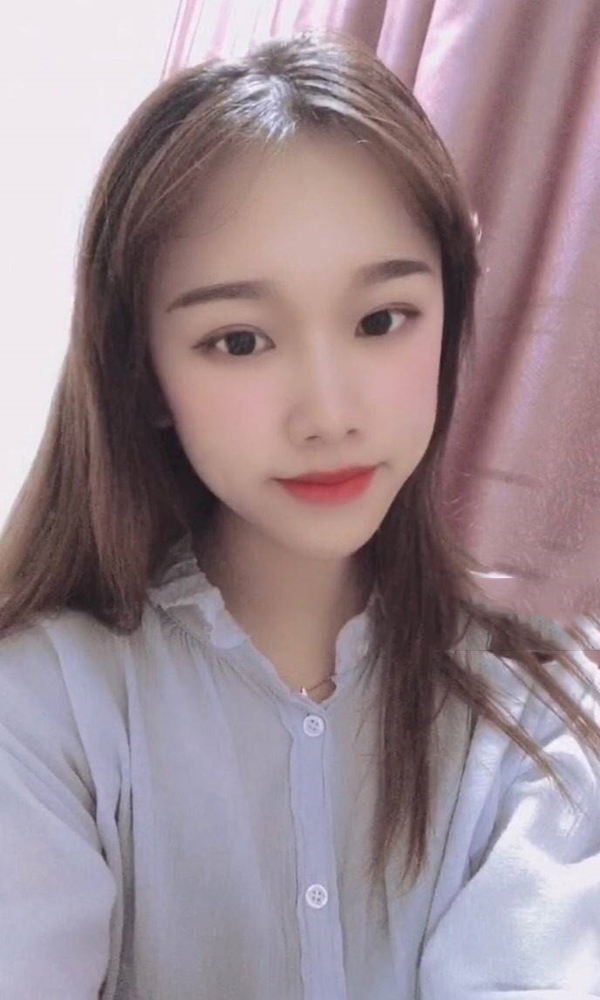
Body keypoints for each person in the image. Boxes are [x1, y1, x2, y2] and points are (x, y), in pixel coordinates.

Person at [0, 28, 598, 1000]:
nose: (328, 413)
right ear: (143, 370)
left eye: (380, 321)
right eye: (239, 340)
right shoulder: (46, 705)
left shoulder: (540, 709)